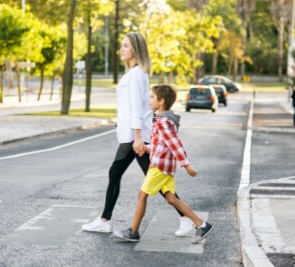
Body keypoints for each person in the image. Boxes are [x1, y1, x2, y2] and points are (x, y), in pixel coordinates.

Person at [81, 33, 194, 237]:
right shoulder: (134, 73)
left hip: (136, 136)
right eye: (121, 45)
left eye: (125, 46)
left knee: (131, 176)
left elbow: (136, 109)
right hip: (133, 135)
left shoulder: (136, 75)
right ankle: (184, 218)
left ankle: (106, 220)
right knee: (151, 179)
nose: (121, 49)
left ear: (135, 49)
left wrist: (138, 137)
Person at [113, 84, 213, 244]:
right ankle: (202, 224)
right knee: (171, 199)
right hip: (165, 165)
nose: (149, 99)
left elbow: (175, 144)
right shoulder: (162, 119)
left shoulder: (163, 122)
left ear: (162, 101)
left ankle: (133, 232)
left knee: (142, 195)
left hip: (159, 166)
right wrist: (146, 148)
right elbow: (162, 145)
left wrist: (187, 166)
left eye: (152, 97)